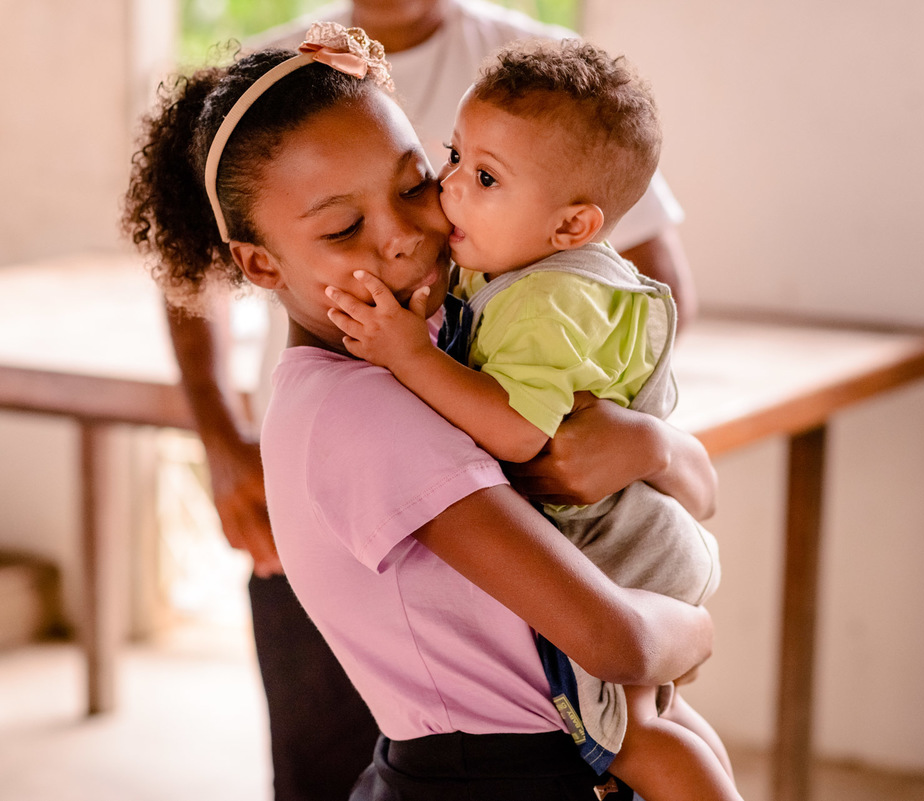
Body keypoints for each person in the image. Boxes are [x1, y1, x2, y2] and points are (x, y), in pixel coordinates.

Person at [124, 22, 717, 801]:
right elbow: (621, 641)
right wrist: (698, 626)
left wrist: (647, 444)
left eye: (415, 185)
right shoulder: (365, 412)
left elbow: (692, 484)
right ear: (261, 263)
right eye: (343, 228)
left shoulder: (451, 335)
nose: (404, 236)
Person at [325, 39, 739, 801]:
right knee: (657, 720)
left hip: (613, 546)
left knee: (634, 739)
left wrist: (410, 356)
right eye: (454, 157)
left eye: (484, 178)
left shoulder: (545, 302)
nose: (449, 186)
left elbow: (519, 432)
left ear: (572, 225)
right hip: (641, 532)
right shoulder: (520, 268)